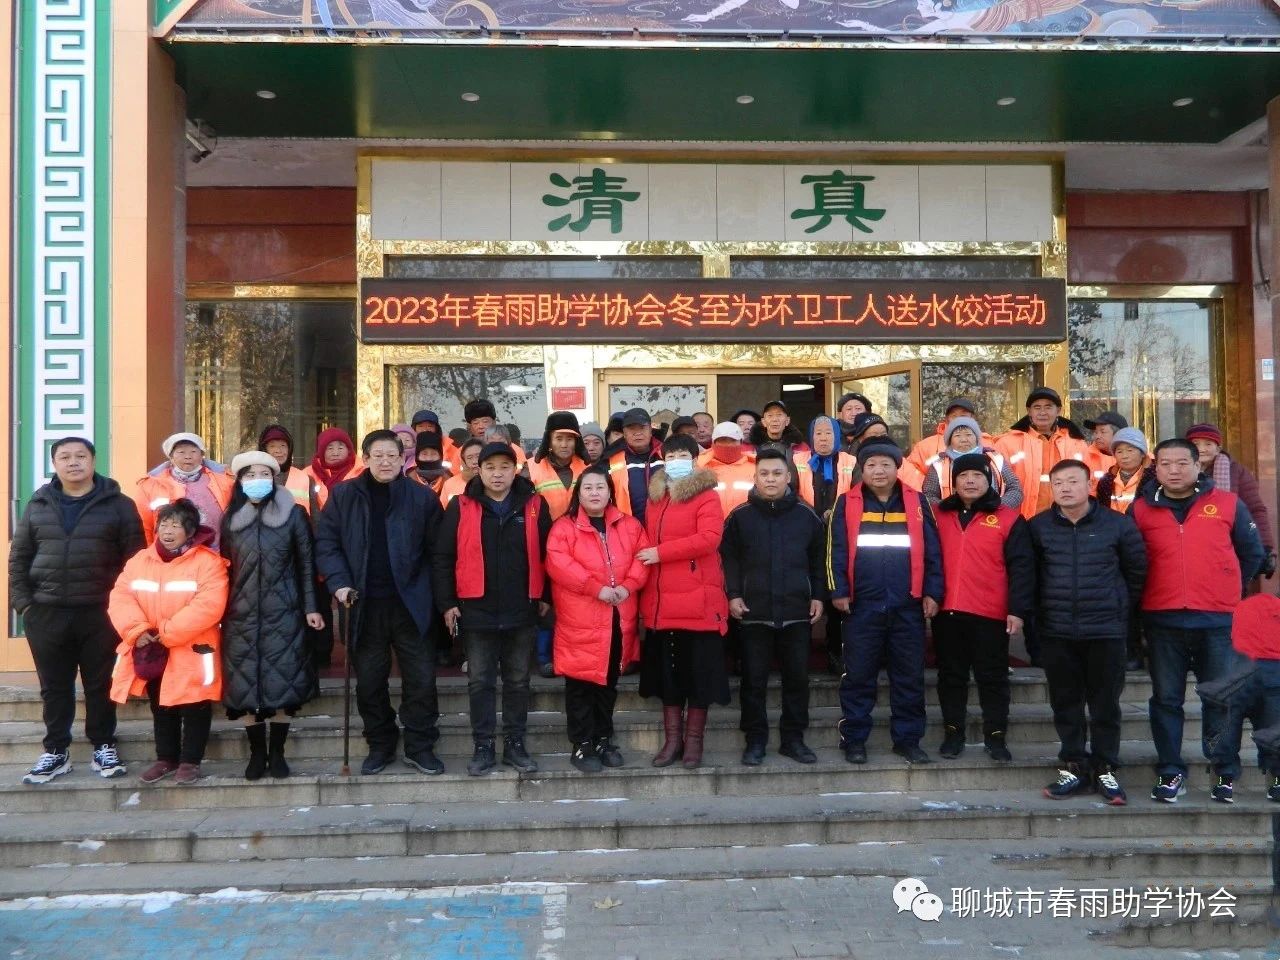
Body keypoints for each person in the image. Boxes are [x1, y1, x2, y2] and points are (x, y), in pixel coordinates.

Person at [1130, 438, 1265, 803]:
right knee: (1166, 699)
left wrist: (1225, 585)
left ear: (1197, 466)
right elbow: (1130, 560)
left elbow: (1252, 553)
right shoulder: (1140, 509)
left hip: (1218, 620)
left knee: (1220, 699)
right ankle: (1171, 771)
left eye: (1181, 463)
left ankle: (1223, 770)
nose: (1174, 471)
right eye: (1165, 464)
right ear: (1156, 468)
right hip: (1162, 619)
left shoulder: (1227, 504)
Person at [9, 437, 145, 784]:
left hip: (101, 612)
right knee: (54, 686)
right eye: (65, 457)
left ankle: (103, 745)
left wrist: (126, 609)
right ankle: (56, 750)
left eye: (80, 456)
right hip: (47, 612)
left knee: (101, 683)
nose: (73, 462)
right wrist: (26, 605)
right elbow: (19, 558)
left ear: (93, 460)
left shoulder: (119, 505)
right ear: (54, 463)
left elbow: (136, 562)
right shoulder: (38, 505)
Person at [315, 430, 445, 776]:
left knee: (420, 680)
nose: (386, 461)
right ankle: (381, 743)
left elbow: (438, 553)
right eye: (379, 455)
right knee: (370, 682)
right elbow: (327, 544)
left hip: (411, 604)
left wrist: (436, 597)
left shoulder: (421, 498)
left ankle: (420, 745)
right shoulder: (343, 496)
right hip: (362, 604)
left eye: (393, 455)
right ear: (366, 458)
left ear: (404, 459)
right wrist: (340, 583)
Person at [1030, 460, 1148, 805]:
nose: (1065, 488)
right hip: (1057, 630)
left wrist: (1119, 607)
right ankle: (1074, 764)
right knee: (1065, 702)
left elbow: (1136, 571)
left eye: (1073, 481)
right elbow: (1030, 577)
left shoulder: (1117, 525)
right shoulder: (1038, 527)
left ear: (1089, 485)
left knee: (1104, 703)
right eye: (1058, 482)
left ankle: (1106, 766)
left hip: (1106, 630)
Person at [434, 442, 553, 777]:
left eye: (504, 466)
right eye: (490, 467)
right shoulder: (462, 505)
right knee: (480, 681)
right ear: (479, 470)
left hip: (521, 607)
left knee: (517, 681)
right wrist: (447, 603)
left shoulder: (533, 505)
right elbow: (443, 557)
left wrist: (545, 595)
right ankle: (483, 746)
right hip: (476, 609)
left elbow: (549, 554)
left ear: (515, 470)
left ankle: (515, 744)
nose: (497, 474)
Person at [828, 438, 943, 766]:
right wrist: (838, 590)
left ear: (897, 467)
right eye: (871, 465)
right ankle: (854, 740)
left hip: (907, 605)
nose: (878, 471)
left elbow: (934, 551)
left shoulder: (917, 502)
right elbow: (834, 549)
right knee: (858, 676)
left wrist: (933, 592)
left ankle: (907, 740)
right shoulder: (846, 502)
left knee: (908, 676)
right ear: (862, 470)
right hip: (861, 606)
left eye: (885, 464)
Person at [108, 499, 229, 785]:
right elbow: (121, 597)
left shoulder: (208, 562)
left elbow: (210, 605)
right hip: (150, 648)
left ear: (190, 531)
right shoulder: (139, 561)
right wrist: (137, 630)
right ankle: (166, 758)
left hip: (192, 648)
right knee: (160, 705)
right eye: (164, 523)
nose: (168, 530)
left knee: (195, 705)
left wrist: (168, 632)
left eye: (176, 524)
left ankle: (190, 761)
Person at [219, 451, 322, 780]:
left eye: (264, 474)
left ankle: (277, 752)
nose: (257, 480)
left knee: (284, 682)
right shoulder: (231, 518)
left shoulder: (295, 515)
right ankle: (256, 752)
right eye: (250, 475)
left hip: (286, 611)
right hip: (240, 613)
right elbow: (222, 568)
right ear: (240, 481)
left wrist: (310, 608)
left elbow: (307, 564)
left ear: (275, 478)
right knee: (244, 684)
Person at [721, 448, 826, 766]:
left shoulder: (807, 515)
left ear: (789, 477)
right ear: (755, 477)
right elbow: (729, 561)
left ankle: (793, 739)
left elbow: (818, 561)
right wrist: (733, 595)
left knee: (797, 681)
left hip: (796, 612)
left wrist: (818, 594)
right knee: (753, 682)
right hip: (754, 613)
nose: (770, 479)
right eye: (764, 473)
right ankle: (755, 741)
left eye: (777, 473)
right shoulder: (740, 517)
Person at [545, 465, 650, 773]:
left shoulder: (629, 525)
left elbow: (642, 559)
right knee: (580, 686)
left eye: (600, 487)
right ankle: (581, 744)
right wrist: (596, 588)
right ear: (578, 493)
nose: (594, 493)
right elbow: (558, 564)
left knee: (608, 684)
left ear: (610, 491)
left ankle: (604, 738)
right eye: (588, 487)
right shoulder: (563, 528)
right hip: (580, 620)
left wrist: (628, 586)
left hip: (618, 619)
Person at [933, 453, 1034, 764]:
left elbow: (1022, 568)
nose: (970, 481)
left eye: (977, 475)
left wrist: (1017, 609)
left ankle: (996, 736)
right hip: (947, 611)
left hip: (989, 612)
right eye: (963, 476)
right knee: (951, 677)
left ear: (989, 480)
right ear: (954, 481)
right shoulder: (939, 514)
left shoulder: (1008, 517)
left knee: (992, 677)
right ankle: (953, 733)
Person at [638, 434, 730, 769]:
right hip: (662, 602)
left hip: (698, 602)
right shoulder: (655, 496)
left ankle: (694, 742)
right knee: (669, 676)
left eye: (683, 453)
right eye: (672, 453)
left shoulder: (705, 495)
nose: (677, 458)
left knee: (698, 676)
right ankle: (672, 740)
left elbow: (709, 539)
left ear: (694, 459)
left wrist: (660, 553)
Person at [1202, 592, 1280, 803]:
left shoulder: (1234, 609)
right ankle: (1276, 779)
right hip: (1274, 673)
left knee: (1225, 725)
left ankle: (1224, 779)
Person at [1186, 422, 1278, 581]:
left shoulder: (1236, 472)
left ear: (1218, 448)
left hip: (1229, 545)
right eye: (1196, 444)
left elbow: (1255, 509)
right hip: (1191, 545)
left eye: (1208, 444)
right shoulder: (1178, 472)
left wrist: (1265, 546)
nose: (1201, 449)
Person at [995, 387, 1089, 521]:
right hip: (1020, 521)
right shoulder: (1006, 443)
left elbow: (1091, 485)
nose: (1042, 412)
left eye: (1048, 407)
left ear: (1058, 411)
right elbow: (997, 486)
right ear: (1029, 411)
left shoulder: (1077, 444)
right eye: (1037, 407)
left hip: (1067, 522)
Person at [135, 432, 234, 548]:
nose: (188, 456)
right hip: (170, 555)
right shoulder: (150, 485)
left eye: (193, 451)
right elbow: (143, 525)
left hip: (215, 553)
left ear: (202, 455)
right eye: (181, 452)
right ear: (171, 457)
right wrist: (151, 555)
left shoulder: (225, 481)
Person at [920, 415, 1022, 512]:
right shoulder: (939, 465)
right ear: (949, 440)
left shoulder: (995, 459)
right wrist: (949, 509)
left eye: (969, 434)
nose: (964, 439)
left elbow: (1015, 487)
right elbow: (928, 495)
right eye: (957, 435)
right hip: (952, 522)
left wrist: (998, 506)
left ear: (977, 438)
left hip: (993, 519)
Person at [905, 397, 988, 491]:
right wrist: (927, 492)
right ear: (947, 419)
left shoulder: (989, 444)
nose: (959, 420)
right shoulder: (924, 446)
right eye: (954, 416)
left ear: (973, 418)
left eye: (963, 415)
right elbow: (908, 474)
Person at [604, 408, 665, 524]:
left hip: (664, 528)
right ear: (624, 433)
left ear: (651, 430)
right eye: (632, 428)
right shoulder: (608, 461)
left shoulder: (668, 455)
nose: (637, 433)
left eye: (642, 427)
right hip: (626, 530)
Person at [526, 412, 588, 521]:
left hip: (581, 534)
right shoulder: (530, 468)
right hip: (545, 534)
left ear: (576, 442)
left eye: (569, 439)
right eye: (559, 439)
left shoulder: (587, 468)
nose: (564, 445)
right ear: (549, 441)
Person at [796, 415, 855, 519]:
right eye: (818, 433)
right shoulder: (797, 460)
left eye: (828, 433)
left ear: (836, 435)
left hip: (841, 519)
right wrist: (809, 512)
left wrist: (834, 510)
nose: (823, 438)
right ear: (812, 436)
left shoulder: (851, 461)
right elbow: (791, 491)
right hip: (805, 519)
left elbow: (856, 492)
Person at [258, 424, 324, 516]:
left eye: (283, 445)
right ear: (264, 450)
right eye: (272, 446)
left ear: (290, 449)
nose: (278, 450)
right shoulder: (252, 479)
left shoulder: (306, 479)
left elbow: (316, 520)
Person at [699, 422, 756, 516]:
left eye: (732, 440)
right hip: (711, 526)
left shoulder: (756, 467)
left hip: (746, 526)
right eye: (722, 440)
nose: (727, 444)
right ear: (713, 443)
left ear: (741, 442)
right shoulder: (699, 467)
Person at [748, 400, 809, 489]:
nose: (774, 419)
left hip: (791, 499)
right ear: (763, 422)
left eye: (779, 415)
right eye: (770, 415)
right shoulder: (751, 447)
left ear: (787, 421)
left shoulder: (801, 448)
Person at [1096, 427, 1152, 515]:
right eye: (1119, 452)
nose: (1124, 456)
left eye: (1130, 450)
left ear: (1142, 454)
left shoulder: (1154, 479)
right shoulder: (1106, 481)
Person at [304, 427, 364, 507]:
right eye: (330, 448)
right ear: (321, 452)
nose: (335, 453)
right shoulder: (306, 475)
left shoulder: (363, 472)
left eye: (340, 448)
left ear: (349, 450)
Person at [1082, 411, 1125, 491]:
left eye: (1103, 432)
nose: (1097, 436)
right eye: (1095, 432)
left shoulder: (1140, 457)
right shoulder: (1085, 457)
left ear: (1118, 433)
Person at [440, 437, 483, 507]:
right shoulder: (450, 484)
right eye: (469, 457)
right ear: (463, 460)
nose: (475, 461)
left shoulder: (494, 480)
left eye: (478, 456)